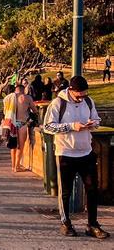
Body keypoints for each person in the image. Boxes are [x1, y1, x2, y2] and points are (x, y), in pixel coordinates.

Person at [43, 76, 109, 239]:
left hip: (86, 151)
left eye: (84, 94)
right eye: (79, 95)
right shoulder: (58, 103)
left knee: (92, 189)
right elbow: (48, 126)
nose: (82, 97)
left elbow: (97, 119)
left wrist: (93, 124)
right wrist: (73, 126)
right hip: (66, 152)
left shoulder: (88, 101)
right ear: (71, 91)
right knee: (65, 191)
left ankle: (92, 224)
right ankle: (66, 223)